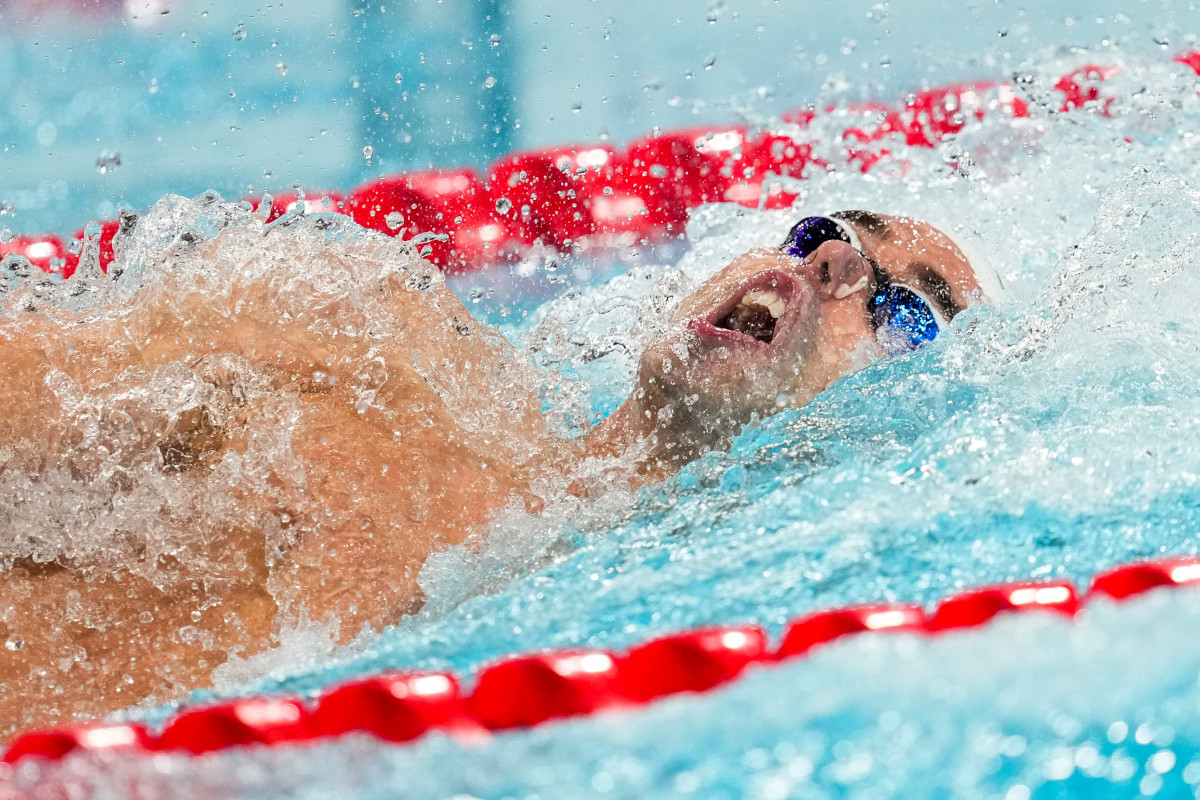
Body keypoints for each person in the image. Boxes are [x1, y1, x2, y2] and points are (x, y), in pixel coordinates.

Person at [0, 208, 987, 741]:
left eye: (902, 312)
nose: (833, 268)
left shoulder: (603, 673)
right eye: (824, 234)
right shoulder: (378, 340)